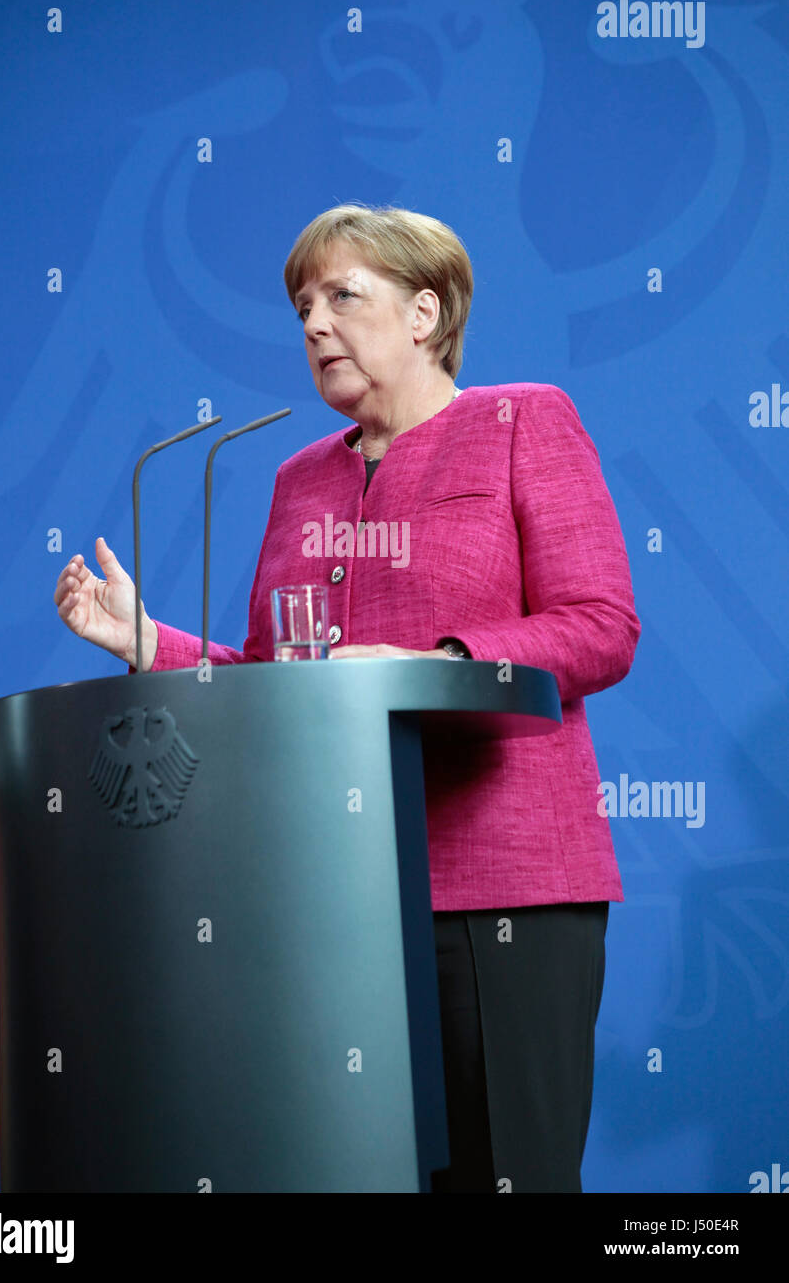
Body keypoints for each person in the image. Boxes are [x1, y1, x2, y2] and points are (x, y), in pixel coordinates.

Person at [54, 203, 641, 1193]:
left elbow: (597, 625)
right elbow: (280, 678)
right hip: (330, 898)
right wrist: (148, 640)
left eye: (339, 297)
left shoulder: (519, 421)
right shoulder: (297, 481)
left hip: (499, 891)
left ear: (423, 313)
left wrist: (428, 660)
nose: (313, 324)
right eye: (301, 306)